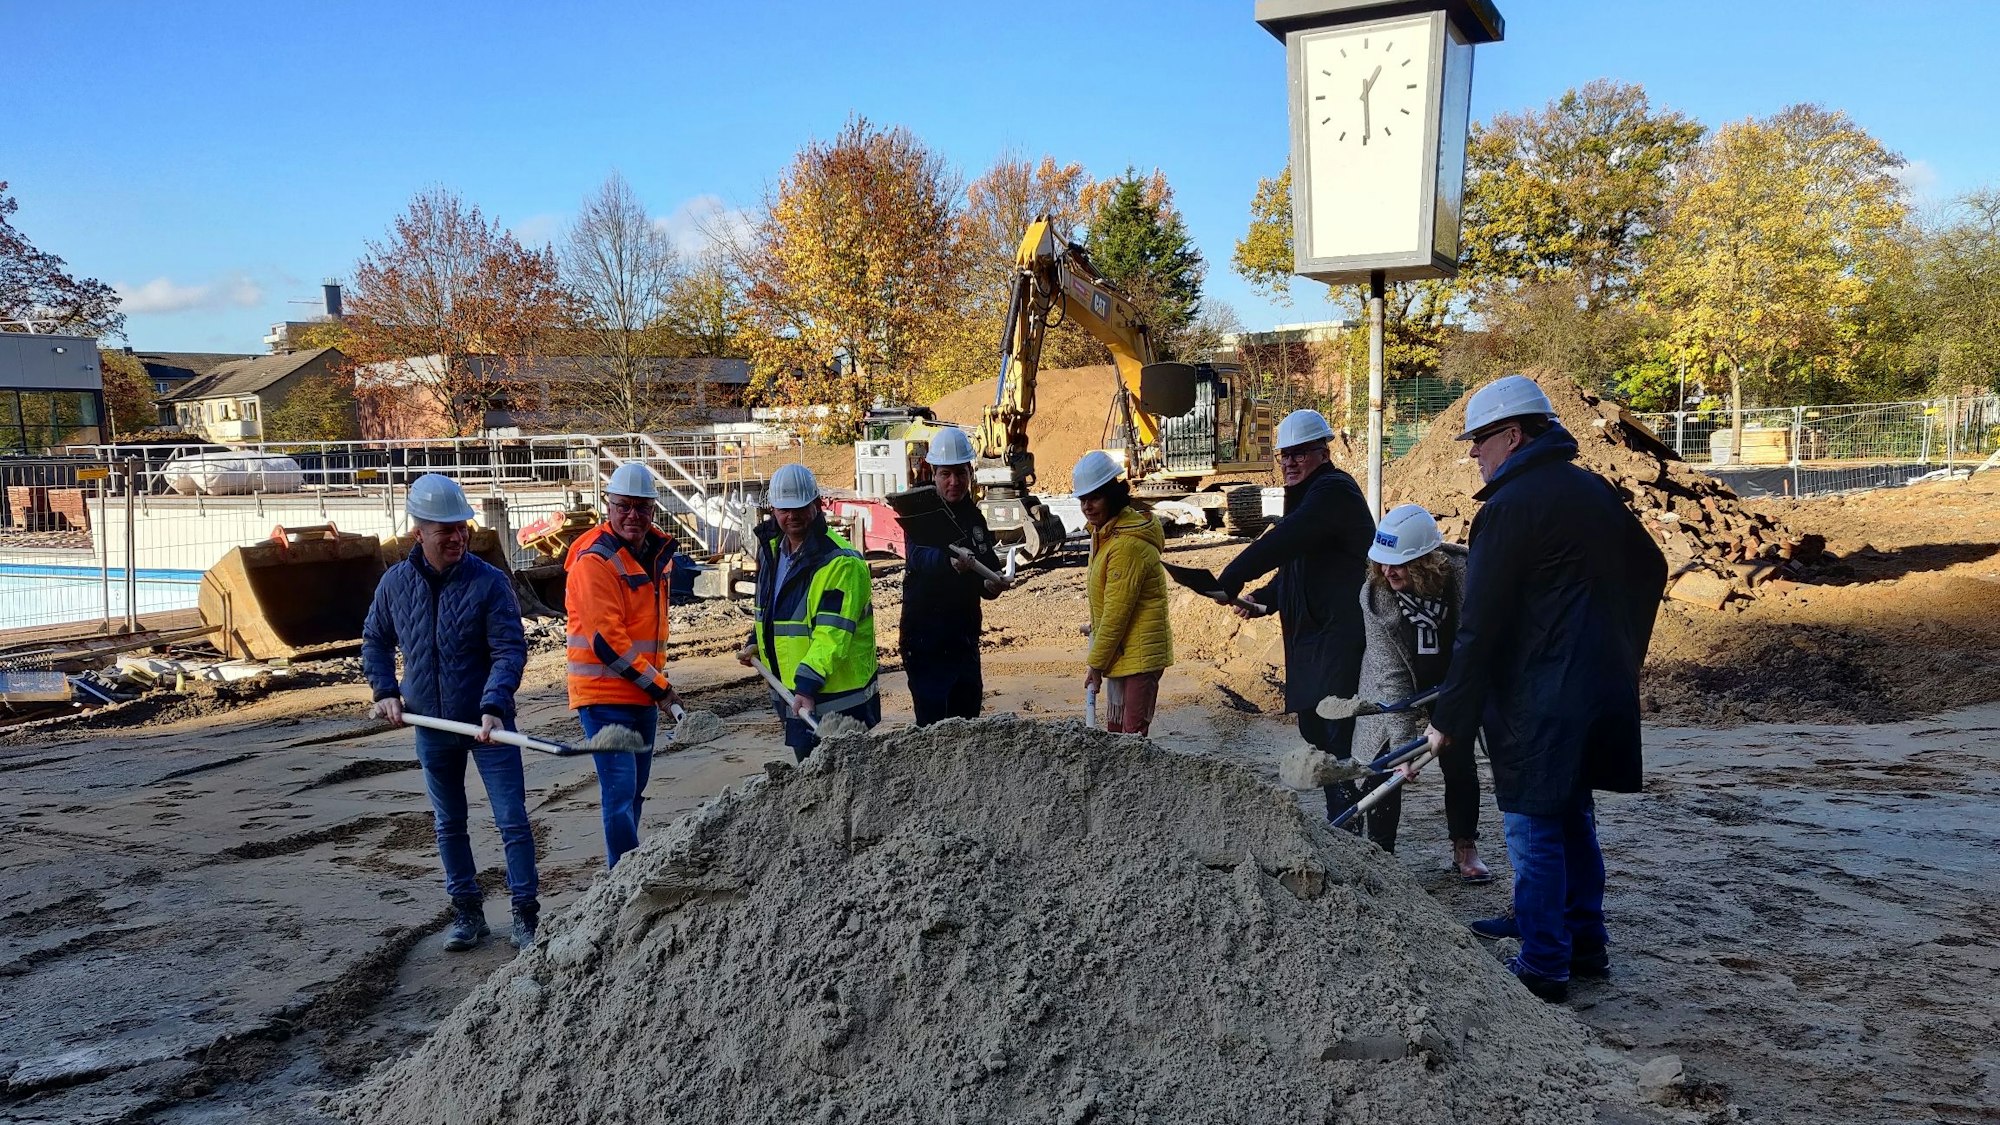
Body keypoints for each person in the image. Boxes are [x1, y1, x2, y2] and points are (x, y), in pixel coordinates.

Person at [1421, 374, 1667, 1003]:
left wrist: (1450, 714)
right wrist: (1619, 650)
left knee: (1533, 825)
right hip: (1591, 690)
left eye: (1479, 439)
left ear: (1513, 433)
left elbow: (1479, 626)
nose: (1472, 452)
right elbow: (1652, 565)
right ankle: (1581, 940)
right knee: (1571, 815)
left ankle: (1544, 960)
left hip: (1539, 699)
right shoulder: (1589, 490)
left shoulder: (1509, 508)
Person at [362, 474, 535, 950]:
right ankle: (467, 913)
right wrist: (386, 690)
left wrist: (494, 704)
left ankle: (526, 915)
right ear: (418, 531)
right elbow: (375, 640)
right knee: (449, 823)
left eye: (462, 527)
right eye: (445, 530)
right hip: (431, 725)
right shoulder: (395, 585)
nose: (458, 536)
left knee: (512, 820)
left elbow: (508, 650)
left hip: (489, 723)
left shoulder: (490, 583)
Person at [1212, 408, 1375, 823]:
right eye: (1284, 455)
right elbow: (1297, 565)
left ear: (1323, 452)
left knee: (1337, 736)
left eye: (1299, 454)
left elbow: (1287, 539)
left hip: (1340, 636)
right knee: (1316, 731)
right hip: (1312, 637)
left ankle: (1351, 826)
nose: (1289, 462)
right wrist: (1266, 599)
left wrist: (1233, 575)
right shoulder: (1308, 497)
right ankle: (1342, 820)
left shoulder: (1334, 491)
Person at [1352, 503, 1491, 882]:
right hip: (1401, 680)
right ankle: (1382, 855)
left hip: (1456, 680)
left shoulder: (1465, 578)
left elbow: (1479, 641)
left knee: (1459, 760)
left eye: (1398, 564)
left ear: (1427, 562)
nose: (1387, 571)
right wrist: (1405, 749)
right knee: (1384, 761)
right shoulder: (1377, 596)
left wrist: (1455, 707)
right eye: (1382, 562)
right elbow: (1391, 676)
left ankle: (1465, 846)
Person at [564, 461, 683, 869]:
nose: (633, 516)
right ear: (608, 506)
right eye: (624, 507)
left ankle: (624, 873)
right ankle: (624, 877)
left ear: (653, 509)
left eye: (642, 508)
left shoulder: (653, 554)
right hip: (603, 695)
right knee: (619, 791)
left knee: (635, 790)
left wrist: (653, 688)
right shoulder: (594, 561)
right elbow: (607, 643)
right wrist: (661, 688)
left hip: (639, 694)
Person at [738, 463, 881, 759]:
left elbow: (832, 635)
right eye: (784, 509)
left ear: (816, 505)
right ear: (773, 509)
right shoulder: (773, 552)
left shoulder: (840, 563)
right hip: (797, 694)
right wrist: (758, 639)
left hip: (837, 703)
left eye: (800, 508)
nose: (792, 516)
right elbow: (772, 609)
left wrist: (806, 686)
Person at [899, 426, 1008, 725]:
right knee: (933, 727)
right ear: (933, 472)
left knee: (967, 719)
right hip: (925, 639)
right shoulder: (919, 511)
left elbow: (986, 568)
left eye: (960, 473)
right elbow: (918, 557)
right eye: (946, 474)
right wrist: (950, 562)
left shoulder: (974, 517)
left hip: (962, 639)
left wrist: (992, 585)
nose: (954, 482)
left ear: (970, 473)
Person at [1074, 450, 1172, 736]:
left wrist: (1095, 665)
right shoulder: (1104, 534)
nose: (1087, 506)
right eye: (1082, 500)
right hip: (1123, 651)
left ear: (1112, 496)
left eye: (1094, 498)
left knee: (1131, 740)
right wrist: (1095, 627)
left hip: (1139, 655)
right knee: (1116, 733)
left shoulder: (1126, 545)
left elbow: (1117, 613)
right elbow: (1109, 602)